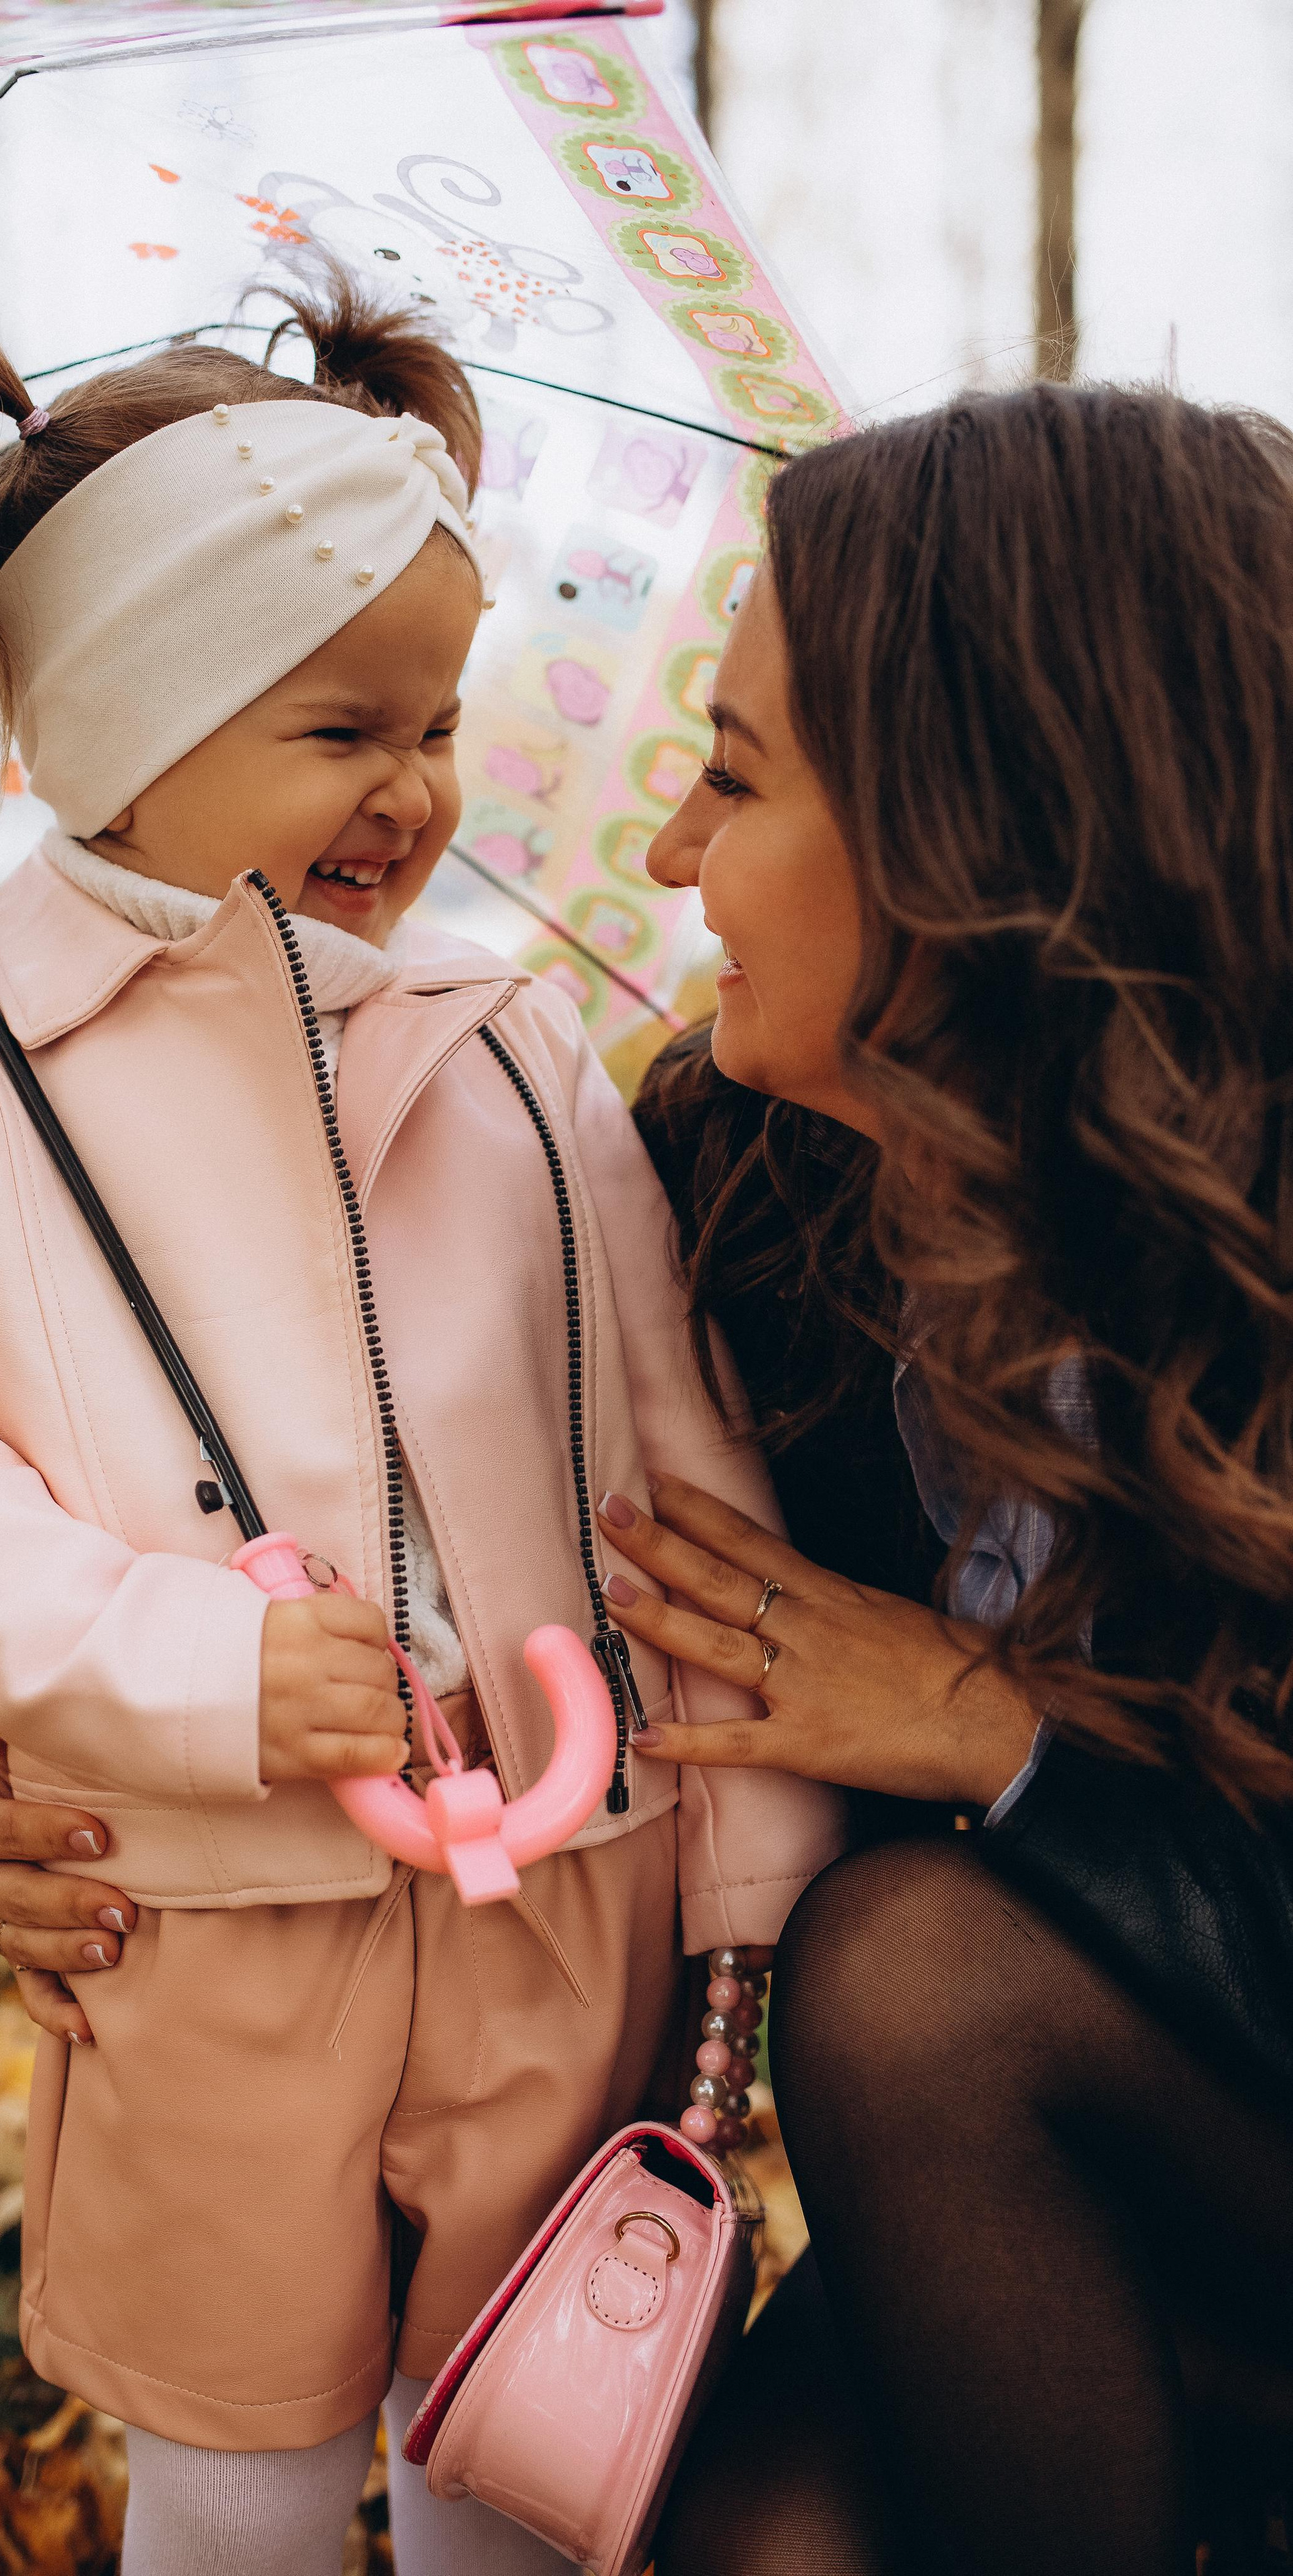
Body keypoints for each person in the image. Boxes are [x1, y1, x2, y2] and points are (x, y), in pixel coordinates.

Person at [0, 277, 841, 2576]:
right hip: (206, 1910)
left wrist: (746, 1862)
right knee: (237, 2470)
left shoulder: (507, 1040)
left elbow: (681, 1460)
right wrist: (189, 1668)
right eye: (339, 727)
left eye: (437, 724)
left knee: (523, 2448)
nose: (414, 791)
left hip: (568, 1880)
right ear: (120, 723)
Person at [601, 382, 1293, 2575]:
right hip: (1043, 2180)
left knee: (912, 1971)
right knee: (761, 2545)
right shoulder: (732, 1181)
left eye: (734, 777)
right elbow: (427, 1523)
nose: (671, 858)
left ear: (978, 836)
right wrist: (111, 1787)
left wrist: (998, 1738)